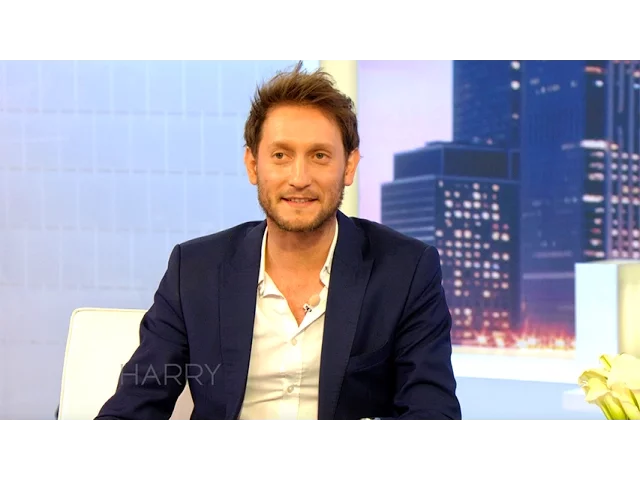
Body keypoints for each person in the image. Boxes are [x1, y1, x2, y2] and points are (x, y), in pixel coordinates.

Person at [96, 61, 462, 420]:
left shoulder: (407, 271)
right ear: (253, 165)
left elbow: (432, 410)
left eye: (319, 156)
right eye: (281, 155)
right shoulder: (194, 270)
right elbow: (135, 404)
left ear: (349, 166)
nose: (299, 178)